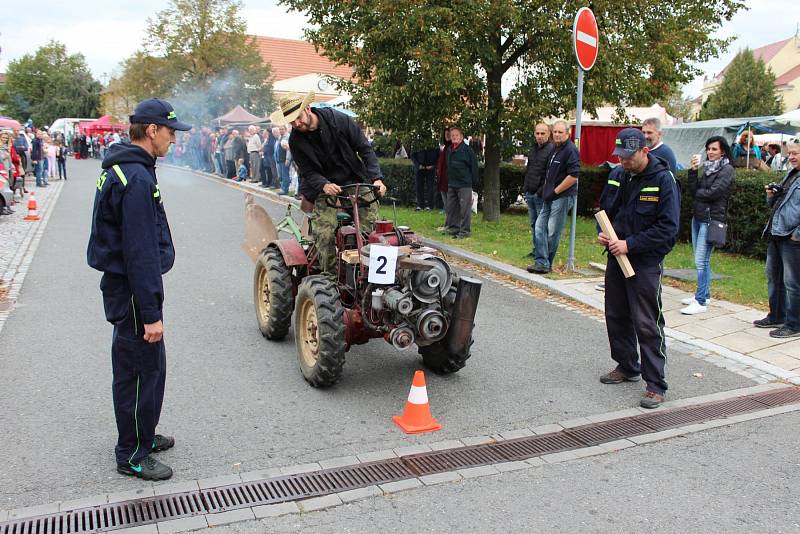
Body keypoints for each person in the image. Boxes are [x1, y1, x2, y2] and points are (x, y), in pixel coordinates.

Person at [87, 98, 190, 481]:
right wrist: (151, 313)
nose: (173, 140)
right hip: (133, 290)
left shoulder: (131, 168)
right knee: (138, 370)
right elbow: (140, 252)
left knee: (149, 368)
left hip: (128, 285)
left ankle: (142, 433)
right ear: (151, 130)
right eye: (170, 132)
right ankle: (132, 452)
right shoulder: (137, 177)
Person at [598, 128, 680, 409]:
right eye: (619, 156)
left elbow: (668, 229)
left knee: (646, 321)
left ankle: (655, 384)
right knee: (616, 314)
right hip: (615, 257)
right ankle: (626, 365)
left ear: (645, 151)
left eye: (628, 157)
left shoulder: (662, 180)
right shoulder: (617, 175)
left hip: (644, 262)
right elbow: (605, 210)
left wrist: (629, 244)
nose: (623, 161)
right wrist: (604, 232)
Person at [273, 91, 387, 273]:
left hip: (353, 179)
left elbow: (365, 149)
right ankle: (331, 276)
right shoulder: (295, 140)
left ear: (308, 109)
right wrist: (324, 184)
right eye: (291, 122)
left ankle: (369, 274)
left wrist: (377, 178)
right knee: (324, 233)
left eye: (298, 118)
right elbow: (307, 171)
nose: (296, 124)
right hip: (323, 186)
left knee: (372, 229)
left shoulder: (339, 121)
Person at [680, 136, 735, 315]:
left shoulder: (727, 169)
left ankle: (700, 301)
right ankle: (704, 293)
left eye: (714, 149)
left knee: (701, 261)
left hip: (711, 219)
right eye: (708, 149)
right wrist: (693, 171)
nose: (710, 152)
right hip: (699, 217)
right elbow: (694, 189)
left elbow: (715, 192)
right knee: (701, 260)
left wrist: (699, 193)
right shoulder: (708, 168)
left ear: (723, 151)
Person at [753, 143, 800, 338]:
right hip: (777, 232)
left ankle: (794, 324)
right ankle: (777, 315)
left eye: (795, 153)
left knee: (793, 283)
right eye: (789, 153)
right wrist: (771, 195)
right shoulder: (791, 174)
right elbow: (780, 204)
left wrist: (797, 234)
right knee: (773, 277)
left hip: (792, 237)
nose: (791, 156)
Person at [529, 120, 579, 273]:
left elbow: (573, 176)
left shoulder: (571, 150)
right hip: (549, 196)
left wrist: (555, 191)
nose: (557, 135)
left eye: (560, 132)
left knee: (552, 231)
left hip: (562, 197)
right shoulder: (555, 149)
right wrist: (546, 190)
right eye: (555, 132)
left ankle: (545, 264)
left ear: (567, 133)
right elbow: (549, 173)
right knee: (539, 227)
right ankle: (541, 261)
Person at [523, 122, 554, 260]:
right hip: (530, 191)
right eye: (537, 133)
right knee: (533, 223)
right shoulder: (533, 148)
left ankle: (543, 254)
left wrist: (540, 192)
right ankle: (536, 250)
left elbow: (549, 174)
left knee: (541, 226)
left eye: (543, 133)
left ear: (548, 134)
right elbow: (529, 169)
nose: (540, 136)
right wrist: (525, 188)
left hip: (541, 194)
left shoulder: (552, 149)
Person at [443, 126, 479, 239]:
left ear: (461, 137)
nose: (454, 137)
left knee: (465, 209)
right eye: (452, 136)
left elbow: (474, 168)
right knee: (452, 208)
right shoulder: (449, 150)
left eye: (456, 135)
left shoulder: (468, 151)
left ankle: (464, 231)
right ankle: (454, 228)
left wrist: (474, 184)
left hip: (464, 184)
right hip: (452, 183)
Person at [410, 143, 439, 211]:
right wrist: (418, 165)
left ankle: (430, 205)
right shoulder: (417, 142)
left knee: (430, 187)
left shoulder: (433, 143)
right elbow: (412, 155)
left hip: (430, 168)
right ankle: (420, 205)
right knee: (419, 187)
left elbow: (438, 156)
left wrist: (433, 165)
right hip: (419, 168)